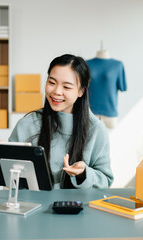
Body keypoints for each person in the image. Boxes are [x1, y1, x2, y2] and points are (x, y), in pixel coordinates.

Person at [9, 54, 114, 189]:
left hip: (78, 207)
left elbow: (106, 180)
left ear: (81, 91)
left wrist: (83, 173)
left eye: (67, 87)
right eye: (52, 83)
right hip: (33, 206)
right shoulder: (27, 124)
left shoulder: (96, 129)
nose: (57, 91)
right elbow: (10, 179)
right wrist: (2, 153)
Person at [87, 48, 127, 129]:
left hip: (110, 114)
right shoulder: (86, 64)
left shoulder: (118, 65)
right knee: (88, 141)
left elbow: (122, 87)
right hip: (89, 113)